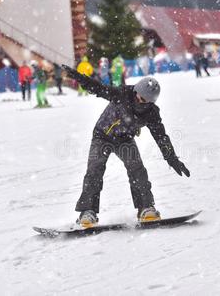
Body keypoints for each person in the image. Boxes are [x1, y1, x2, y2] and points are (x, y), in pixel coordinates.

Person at [62, 64, 190, 227]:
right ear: (135, 90)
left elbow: (161, 137)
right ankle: (88, 212)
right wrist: (78, 77)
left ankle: (146, 208)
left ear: (151, 102)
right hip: (102, 135)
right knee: (94, 170)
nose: (140, 101)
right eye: (138, 96)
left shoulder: (151, 113)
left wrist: (172, 158)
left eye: (145, 101)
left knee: (137, 170)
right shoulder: (122, 93)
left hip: (124, 140)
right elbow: (98, 88)